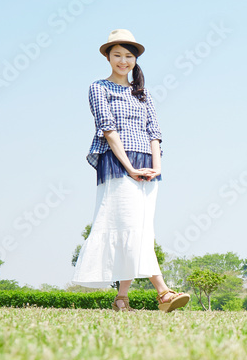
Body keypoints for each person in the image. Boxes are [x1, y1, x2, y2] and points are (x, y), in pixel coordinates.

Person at [71, 29, 190, 313]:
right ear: (108, 57)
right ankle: (163, 293)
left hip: (147, 164)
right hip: (117, 163)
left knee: (139, 230)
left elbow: (154, 130)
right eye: (117, 56)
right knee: (131, 227)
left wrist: (155, 166)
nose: (123, 61)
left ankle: (122, 299)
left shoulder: (143, 92)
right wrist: (130, 168)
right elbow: (108, 129)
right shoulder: (99, 87)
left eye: (128, 56)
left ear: (135, 60)